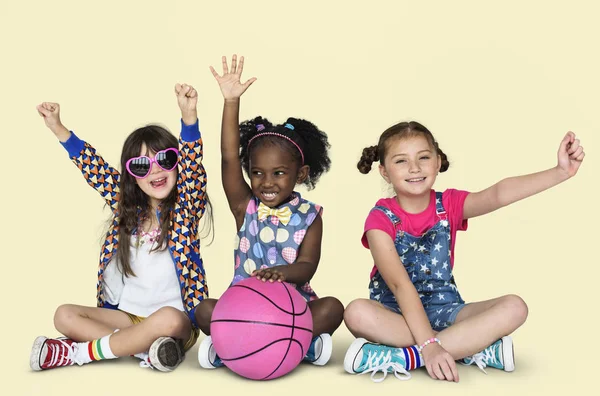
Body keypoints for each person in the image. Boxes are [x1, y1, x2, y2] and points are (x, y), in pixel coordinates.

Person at [343, 121, 585, 382]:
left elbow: (498, 194)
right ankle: (465, 347)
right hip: (395, 313)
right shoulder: (380, 219)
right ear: (384, 171)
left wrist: (560, 172)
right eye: (401, 161)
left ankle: (405, 358)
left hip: (446, 310)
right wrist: (429, 344)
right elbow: (399, 285)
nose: (414, 168)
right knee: (356, 313)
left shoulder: (449, 204)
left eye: (423, 157)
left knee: (515, 307)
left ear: (438, 162)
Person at [30, 83, 212, 372]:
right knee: (63, 315)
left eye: (165, 159)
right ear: (131, 177)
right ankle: (144, 351)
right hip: (128, 317)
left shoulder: (185, 208)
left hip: (175, 321)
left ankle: (78, 353)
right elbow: (95, 168)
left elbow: (193, 167)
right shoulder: (127, 207)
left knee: (169, 318)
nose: (155, 170)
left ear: (176, 164)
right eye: (141, 165)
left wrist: (189, 118)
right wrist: (58, 127)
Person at [195, 55, 344, 369]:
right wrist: (231, 101)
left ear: (300, 174)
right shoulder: (245, 207)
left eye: (278, 173)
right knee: (204, 310)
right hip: (244, 304)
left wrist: (282, 274)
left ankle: (283, 341)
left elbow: (307, 266)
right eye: (258, 172)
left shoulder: (310, 216)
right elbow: (227, 159)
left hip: (292, 306)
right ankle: (259, 344)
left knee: (332, 308)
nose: (266, 182)